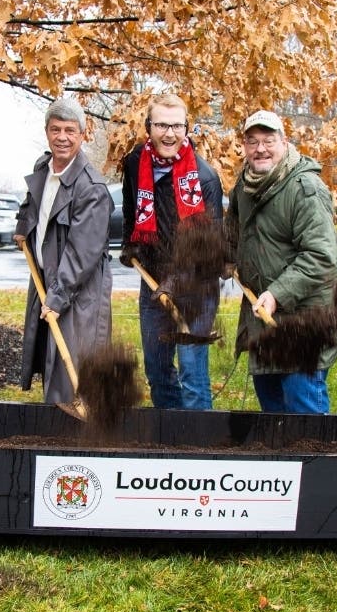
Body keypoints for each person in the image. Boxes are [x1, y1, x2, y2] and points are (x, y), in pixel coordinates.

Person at [226, 110, 337, 413]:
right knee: (273, 413)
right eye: (252, 142)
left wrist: (278, 293)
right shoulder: (245, 186)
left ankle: (315, 462)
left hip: (304, 320)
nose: (260, 148)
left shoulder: (305, 189)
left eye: (268, 140)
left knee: (304, 414)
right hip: (263, 319)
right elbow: (235, 232)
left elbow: (321, 257)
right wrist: (226, 257)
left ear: (284, 142)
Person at [119, 94, 223, 410]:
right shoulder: (136, 163)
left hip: (196, 290)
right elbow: (130, 209)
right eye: (162, 125)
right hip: (152, 284)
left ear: (187, 129)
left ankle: (200, 448)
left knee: (192, 375)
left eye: (177, 125)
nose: (169, 134)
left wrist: (176, 282)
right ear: (149, 127)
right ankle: (171, 440)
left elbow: (211, 252)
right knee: (158, 370)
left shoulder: (204, 178)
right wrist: (130, 244)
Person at [13, 98, 114, 405]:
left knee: (72, 370)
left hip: (78, 293)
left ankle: (73, 441)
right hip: (48, 281)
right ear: (47, 132)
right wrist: (22, 226)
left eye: (70, 130)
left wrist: (57, 296)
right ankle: (54, 432)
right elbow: (31, 204)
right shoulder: (43, 168)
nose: (62, 137)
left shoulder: (92, 188)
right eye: (55, 129)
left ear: (82, 135)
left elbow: (83, 253)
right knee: (49, 359)